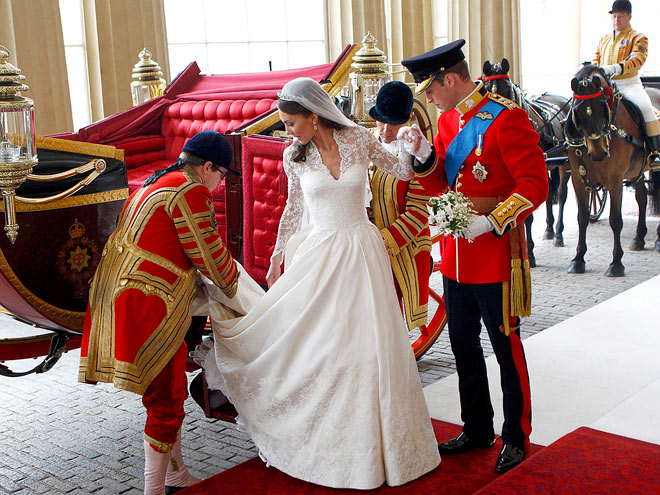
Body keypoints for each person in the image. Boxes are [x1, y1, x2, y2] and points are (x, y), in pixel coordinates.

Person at [194, 77, 441, 490]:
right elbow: (292, 210)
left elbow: (399, 170)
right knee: (325, 348)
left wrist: (415, 148)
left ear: (313, 115)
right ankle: (328, 437)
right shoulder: (295, 157)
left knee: (369, 350)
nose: (287, 132)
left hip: (363, 252)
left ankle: (385, 448)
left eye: (291, 123)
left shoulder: (360, 138)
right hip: (320, 255)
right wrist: (276, 257)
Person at [399, 39, 548, 473]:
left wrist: (495, 221)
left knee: (506, 349)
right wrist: (425, 157)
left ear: (450, 78)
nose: (427, 97)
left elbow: (535, 184)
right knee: (463, 345)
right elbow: (441, 189)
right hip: (457, 256)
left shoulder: (506, 118)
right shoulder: (446, 122)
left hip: (497, 256)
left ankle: (516, 437)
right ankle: (477, 426)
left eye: (429, 88)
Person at [78, 130, 240, 495]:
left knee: (168, 393)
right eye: (222, 175)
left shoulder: (158, 182)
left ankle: (175, 477)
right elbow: (211, 256)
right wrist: (236, 289)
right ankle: (153, 491)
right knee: (165, 400)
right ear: (209, 167)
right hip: (150, 304)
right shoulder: (190, 191)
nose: (219, 185)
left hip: (122, 296)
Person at [368, 81, 433, 331]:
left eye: (392, 123)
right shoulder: (370, 143)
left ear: (407, 119)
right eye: (380, 121)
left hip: (403, 246)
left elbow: (418, 213)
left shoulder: (418, 154)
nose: (385, 130)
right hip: (368, 242)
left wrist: (381, 242)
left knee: (387, 314)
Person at [594, 0, 660, 170]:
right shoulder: (604, 39)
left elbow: (638, 59)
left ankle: (654, 152)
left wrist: (617, 68)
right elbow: (597, 60)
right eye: (614, 17)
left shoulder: (638, 38)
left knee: (646, 109)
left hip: (629, 84)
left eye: (620, 17)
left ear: (629, 17)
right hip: (607, 85)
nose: (617, 20)